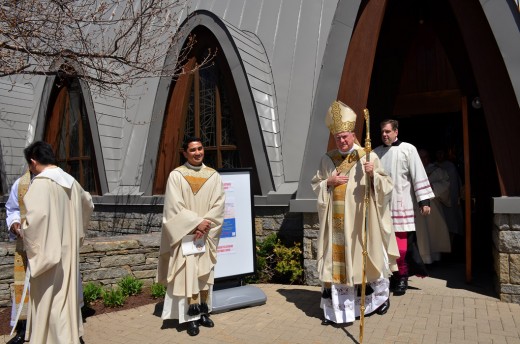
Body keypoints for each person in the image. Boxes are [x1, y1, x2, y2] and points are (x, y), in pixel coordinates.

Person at [311, 100, 399, 325]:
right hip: (336, 224)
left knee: (367, 259)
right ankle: (338, 311)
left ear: (353, 135)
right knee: (337, 263)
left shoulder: (366, 156)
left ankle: (377, 301)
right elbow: (317, 183)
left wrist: (372, 175)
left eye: (345, 136)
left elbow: (386, 185)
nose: (342, 141)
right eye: (338, 137)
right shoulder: (327, 159)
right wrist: (328, 181)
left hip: (361, 222)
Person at [21, 141, 94, 344]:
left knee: (50, 301)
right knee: (64, 300)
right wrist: (76, 233)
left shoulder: (40, 183)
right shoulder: (70, 180)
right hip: (68, 253)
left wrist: (22, 228)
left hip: (48, 254)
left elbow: (34, 223)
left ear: (33, 162)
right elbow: (88, 203)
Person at [157, 137, 225, 337]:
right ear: (185, 153)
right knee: (188, 275)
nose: (197, 153)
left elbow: (219, 205)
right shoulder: (176, 176)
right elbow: (173, 207)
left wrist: (205, 226)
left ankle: (203, 311)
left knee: (204, 275)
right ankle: (190, 317)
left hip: (205, 235)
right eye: (193, 150)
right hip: (186, 235)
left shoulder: (213, 176)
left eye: (200, 148)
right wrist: (196, 223)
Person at [373, 119, 434, 295]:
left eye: (388, 131)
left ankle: (402, 277)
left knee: (401, 248)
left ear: (396, 132)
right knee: (384, 247)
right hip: (381, 208)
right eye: (382, 132)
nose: (384, 134)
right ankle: (389, 277)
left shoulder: (408, 149)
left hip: (401, 205)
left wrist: (424, 201)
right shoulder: (376, 153)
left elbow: (418, 174)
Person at [5, 170, 31, 344]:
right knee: (26, 287)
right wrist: (15, 226)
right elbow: (13, 208)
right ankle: (23, 328)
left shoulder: (59, 181)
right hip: (26, 245)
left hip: (52, 246)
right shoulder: (21, 184)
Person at [415, 149, 451, 264]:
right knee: (421, 234)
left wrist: (432, 187)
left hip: (434, 208)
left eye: (425, 157)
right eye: (420, 157)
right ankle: (421, 259)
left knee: (433, 232)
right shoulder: (413, 170)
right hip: (417, 208)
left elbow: (446, 184)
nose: (423, 160)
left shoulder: (437, 171)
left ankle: (434, 258)